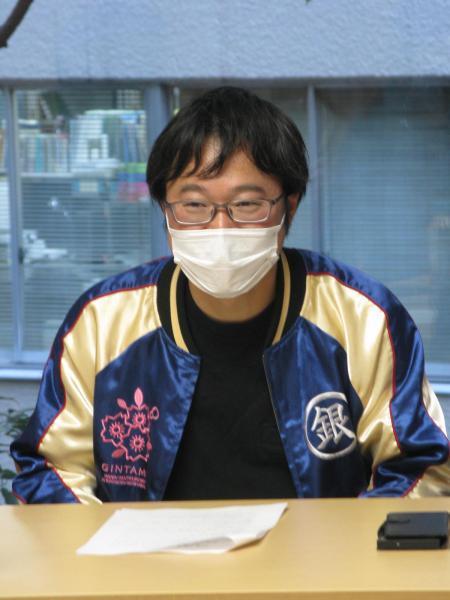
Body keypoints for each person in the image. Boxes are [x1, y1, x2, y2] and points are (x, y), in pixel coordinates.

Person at [11, 86, 449, 504]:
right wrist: (112, 550)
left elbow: (421, 467)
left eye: (246, 205)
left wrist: (344, 546)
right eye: (194, 205)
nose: (220, 228)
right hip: (145, 556)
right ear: (165, 209)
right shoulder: (102, 323)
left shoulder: (364, 319)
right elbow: (51, 469)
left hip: (321, 555)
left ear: (289, 207)